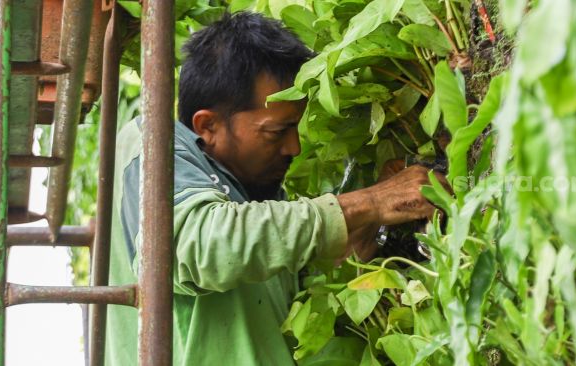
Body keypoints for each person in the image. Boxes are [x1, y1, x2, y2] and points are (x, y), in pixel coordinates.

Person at [105, 12, 440, 366]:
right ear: (208, 125)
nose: (294, 148)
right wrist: (368, 203)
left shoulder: (245, 192)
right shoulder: (154, 143)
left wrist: (356, 241)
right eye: (276, 132)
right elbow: (195, 250)